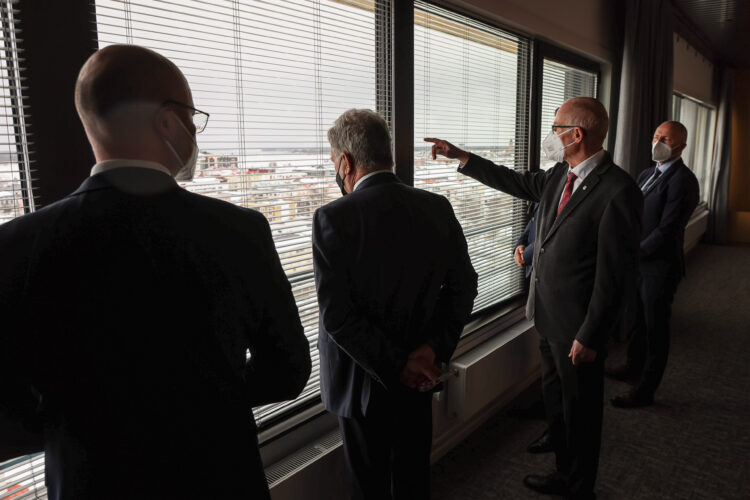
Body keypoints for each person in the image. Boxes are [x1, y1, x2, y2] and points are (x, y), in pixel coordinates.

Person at [0, 44, 311, 499]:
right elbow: (288, 371)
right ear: (167, 122)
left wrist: (82, 423)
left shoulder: (16, 246)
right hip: (219, 479)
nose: (193, 131)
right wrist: (206, 398)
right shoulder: (239, 232)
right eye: (191, 118)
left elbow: (6, 413)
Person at [426, 97, 642, 500]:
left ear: (576, 135)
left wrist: (591, 335)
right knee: (557, 400)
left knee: (582, 411)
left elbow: (616, 276)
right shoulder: (561, 174)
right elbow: (514, 182)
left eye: (556, 127)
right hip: (546, 313)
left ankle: (580, 488)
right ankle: (563, 471)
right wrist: (462, 157)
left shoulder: (618, 191)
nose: (551, 134)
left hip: (578, 326)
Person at [313, 109, 478, 500]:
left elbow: (337, 317)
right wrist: (432, 350)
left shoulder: (334, 217)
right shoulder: (436, 206)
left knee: (367, 486)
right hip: (422, 374)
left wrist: (395, 363)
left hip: (361, 383)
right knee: (413, 477)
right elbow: (464, 287)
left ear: (345, 162)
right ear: (388, 155)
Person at [608, 121, 699, 408]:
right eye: (656, 136)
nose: (658, 142)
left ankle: (645, 389)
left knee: (655, 327)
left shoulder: (684, 181)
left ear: (681, 146)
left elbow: (668, 229)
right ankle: (633, 367)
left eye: (667, 139)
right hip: (637, 263)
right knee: (636, 320)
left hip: (660, 266)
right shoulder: (647, 174)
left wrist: (634, 253)